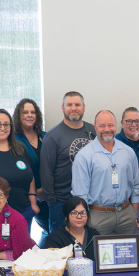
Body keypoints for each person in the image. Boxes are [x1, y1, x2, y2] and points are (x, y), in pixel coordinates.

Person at [71, 110, 139, 235]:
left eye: (111, 125)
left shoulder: (128, 152)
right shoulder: (84, 155)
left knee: (129, 253)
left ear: (116, 126)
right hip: (97, 216)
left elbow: (136, 184)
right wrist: (85, 218)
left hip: (126, 215)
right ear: (95, 127)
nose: (107, 129)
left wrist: (134, 213)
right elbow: (80, 193)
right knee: (98, 254)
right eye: (102, 125)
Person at [40, 91, 95, 233]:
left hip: (91, 201)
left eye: (77, 104)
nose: (74, 108)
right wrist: (52, 202)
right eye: (69, 104)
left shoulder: (94, 131)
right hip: (61, 202)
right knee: (60, 246)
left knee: (87, 244)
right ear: (63, 107)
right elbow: (46, 172)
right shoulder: (53, 137)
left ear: (84, 107)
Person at [13, 98, 48, 243]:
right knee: (23, 236)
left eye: (33, 112)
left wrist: (45, 190)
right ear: (18, 116)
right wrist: (35, 192)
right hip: (25, 195)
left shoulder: (45, 137)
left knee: (50, 230)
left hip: (47, 194)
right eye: (25, 112)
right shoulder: (14, 140)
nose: (29, 115)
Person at [116, 107, 139, 205]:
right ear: (122, 123)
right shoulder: (114, 142)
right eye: (129, 121)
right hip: (120, 199)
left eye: (137, 121)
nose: (134, 125)